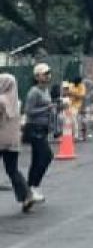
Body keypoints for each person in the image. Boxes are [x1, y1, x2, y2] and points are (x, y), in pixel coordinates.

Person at [0, 74, 34, 213]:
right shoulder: (16, 101)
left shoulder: (1, 100)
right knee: (12, 170)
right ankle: (26, 195)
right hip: (13, 142)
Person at [23, 64, 55, 204]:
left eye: (49, 73)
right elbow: (28, 111)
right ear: (37, 76)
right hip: (34, 127)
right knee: (46, 156)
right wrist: (46, 108)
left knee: (37, 159)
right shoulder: (34, 92)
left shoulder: (45, 90)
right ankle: (32, 186)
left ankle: (30, 188)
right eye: (45, 73)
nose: (48, 75)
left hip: (42, 127)